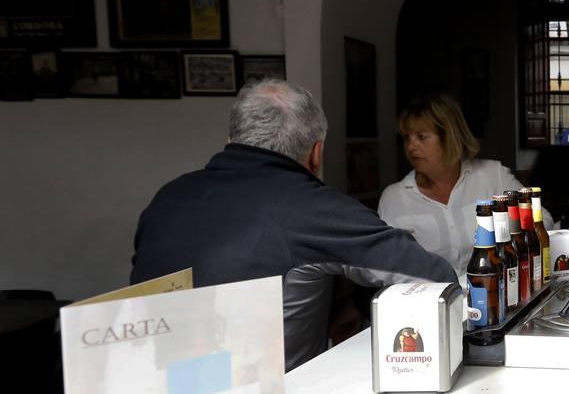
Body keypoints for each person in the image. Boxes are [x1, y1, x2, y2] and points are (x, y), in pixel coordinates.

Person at [131, 79, 455, 370]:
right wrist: (358, 305)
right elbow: (433, 277)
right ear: (317, 153)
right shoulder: (316, 208)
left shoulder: (167, 198)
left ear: (230, 140)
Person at [378, 92, 552, 278]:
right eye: (406, 137)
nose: (411, 147)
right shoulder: (394, 197)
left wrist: (506, 246)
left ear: (450, 137)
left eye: (421, 137)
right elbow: (383, 265)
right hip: (427, 301)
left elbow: (543, 221)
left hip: (493, 293)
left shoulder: (493, 175)